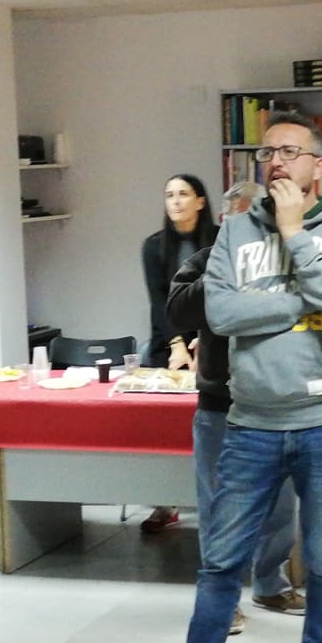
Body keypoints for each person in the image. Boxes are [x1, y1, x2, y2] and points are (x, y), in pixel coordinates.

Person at [149, 111, 322, 643]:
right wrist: (303, 299)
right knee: (221, 562)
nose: (278, 162)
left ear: (319, 166)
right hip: (250, 423)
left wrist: (296, 232)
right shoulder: (234, 231)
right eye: (268, 152)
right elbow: (218, 312)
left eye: (292, 152)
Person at [167, 180, 301, 637]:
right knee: (220, 507)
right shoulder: (204, 261)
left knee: (282, 506)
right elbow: (178, 311)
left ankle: (270, 583)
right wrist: (222, 273)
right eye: (240, 221)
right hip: (220, 405)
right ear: (225, 222)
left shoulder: (285, 262)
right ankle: (223, 602)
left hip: (277, 403)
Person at [138, 174, 218, 535]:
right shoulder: (153, 246)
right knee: (163, 425)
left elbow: (220, 295)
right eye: (169, 195)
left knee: (207, 423)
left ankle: (214, 503)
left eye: (183, 194)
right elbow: (159, 302)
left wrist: (201, 339)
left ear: (200, 201)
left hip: (212, 339)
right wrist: (175, 345)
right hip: (166, 341)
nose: (175, 202)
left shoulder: (220, 239)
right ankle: (163, 501)